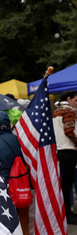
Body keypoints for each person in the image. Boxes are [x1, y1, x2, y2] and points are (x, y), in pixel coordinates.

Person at [53, 90, 77, 224]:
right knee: (67, 185)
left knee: (63, 185)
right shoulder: (68, 111)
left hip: (59, 150)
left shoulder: (56, 111)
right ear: (69, 99)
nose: (76, 103)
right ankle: (68, 214)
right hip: (68, 150)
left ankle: (65, 213)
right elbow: (69, 130)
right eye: (75, 100)